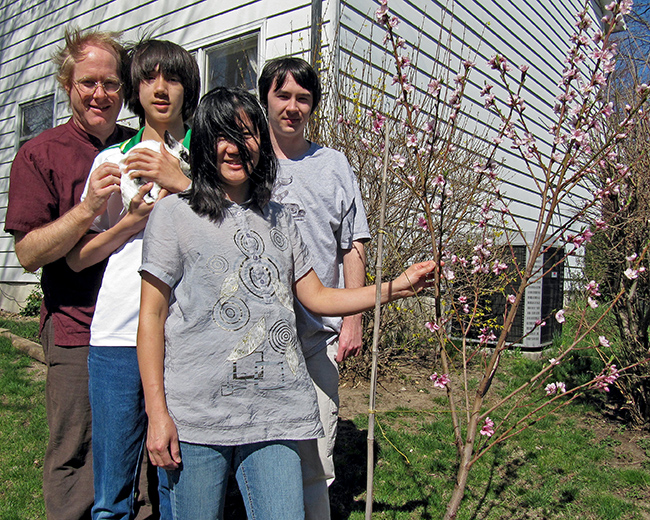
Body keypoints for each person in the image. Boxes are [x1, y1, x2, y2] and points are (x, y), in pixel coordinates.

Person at [136, 87, 435, 520]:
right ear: (203, 143)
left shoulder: (280, 217)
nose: (236, 147)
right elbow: (151, 318)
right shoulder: (174, 215)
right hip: (197, 415)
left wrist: (394, 287)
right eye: (223, 135)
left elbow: (318, 296)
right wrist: (157, 412)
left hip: (278, 411)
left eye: (247, 133)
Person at [5, 28, 136, 520]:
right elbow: (28, 253)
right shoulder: (41, 154)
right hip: (76, 326)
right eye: (88, 83)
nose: (100, 94)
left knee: (137, 449)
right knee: (76, 451)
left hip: (140, 325)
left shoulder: (140, 144)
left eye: (111, 83)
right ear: (67, 85)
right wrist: (87, 208)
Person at [65, 39, 200, 520]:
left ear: (190, 87)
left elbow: (238, 225)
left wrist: (181, 180)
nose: (161, 89)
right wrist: (128, 221)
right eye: (148, 78)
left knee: (179, 487)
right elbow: (80, 258)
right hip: (120, 333)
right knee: (113, 494)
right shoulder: (112, 161)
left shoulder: (210, 157)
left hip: (191, 338)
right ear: (135, 89)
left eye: (173, 78)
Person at [258, 56, 370, 518]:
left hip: (317, 336)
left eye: (303, 98)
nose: (292, 106)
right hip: (258, 337)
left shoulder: (334, 165)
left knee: (318, 448)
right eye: (283, 95)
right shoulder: (247, 162)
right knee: (260, 450)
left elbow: (354, 242)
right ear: (265, 98)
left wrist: (353, 319)